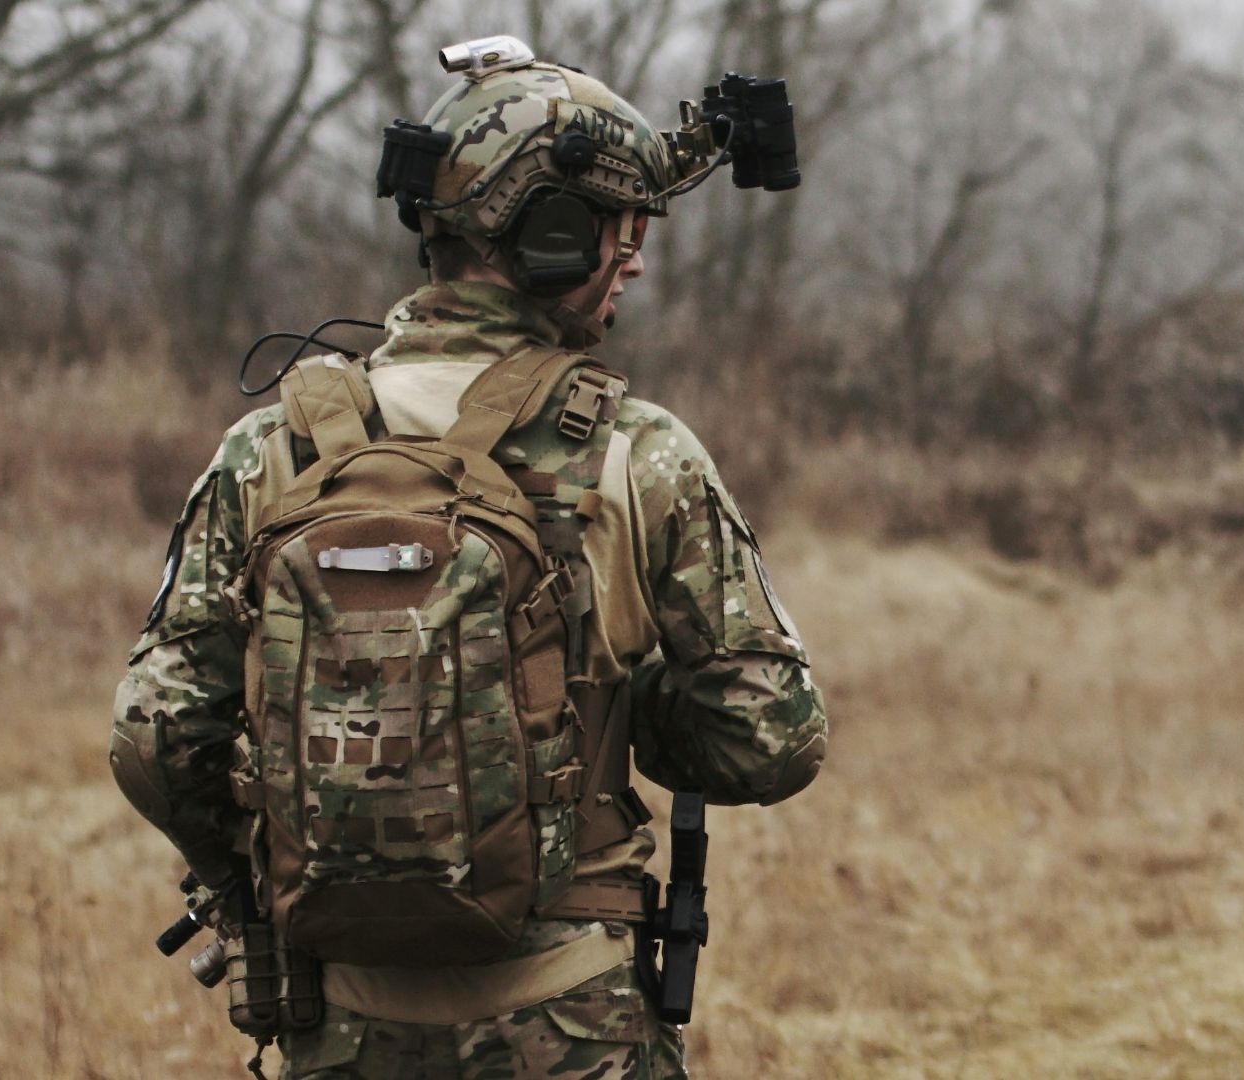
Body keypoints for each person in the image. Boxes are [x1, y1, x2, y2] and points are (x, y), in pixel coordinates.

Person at [110, 36, 826, 1079]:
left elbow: (154, 733)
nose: (634, 259)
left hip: (338, 1024)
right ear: (554, 235)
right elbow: (773, 736)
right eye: (621, 229)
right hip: (570, 1023)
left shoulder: (273, 448)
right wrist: (610, 713)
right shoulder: (638, 452)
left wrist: (246, 883)